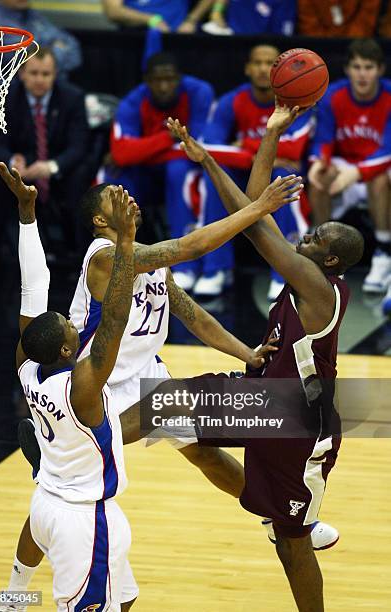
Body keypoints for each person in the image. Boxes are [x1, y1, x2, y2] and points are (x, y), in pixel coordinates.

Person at [0, 160, 311, 611]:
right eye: (114, 196)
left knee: (203, 452)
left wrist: (247, 354)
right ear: (101, 221)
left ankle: (274, 516)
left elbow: (192, 315)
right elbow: (188, 245)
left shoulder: (150, 260)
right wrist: (258, 207)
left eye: (127, 190)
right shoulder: (105, 257)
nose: (127, 195)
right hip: (95, 387)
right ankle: (17, 582)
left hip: (147, 375)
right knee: (64, 480)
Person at [165, 108, 364, 611]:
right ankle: (61, 449)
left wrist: (246, 182)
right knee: (165, 411)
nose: (307, 235)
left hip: (299, 426)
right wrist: (235, 148)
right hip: (263, 401)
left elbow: (256, 224)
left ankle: (292, 522)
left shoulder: (318, 287)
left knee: (291, 548)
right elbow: (256, 212)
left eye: (317, 239)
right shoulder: (305, 275)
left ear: (331, 260)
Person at [0, 162, 137, 611]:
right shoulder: (85, 387)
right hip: (81, 519)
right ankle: (10, 601)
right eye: (70, 330)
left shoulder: (28, 367)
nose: (73, 325)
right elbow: (114, 319)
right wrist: (128, 243)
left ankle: (9, 601)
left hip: (47, 503)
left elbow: (33, 283)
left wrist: (27, 213)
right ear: (64, 351)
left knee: (126, 598)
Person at [194, 44, 313, 299]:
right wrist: (260, 156)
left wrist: (243, 146)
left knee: (285, 175)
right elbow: (209, 147)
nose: (262, 69)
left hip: (280, 172)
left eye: (270, 63)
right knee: (215, 174)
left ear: (281, 71)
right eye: (257, 63)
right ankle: (215, 268)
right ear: (247, 68)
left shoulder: (298, 101)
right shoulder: (231, 101)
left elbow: (293, 150)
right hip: (244, 172)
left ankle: (285, 271)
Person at [105, 51, 214, 290]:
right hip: (145, 172)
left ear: (180, 79)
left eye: (170, 79)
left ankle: (186, 264)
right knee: (111, 179)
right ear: (147, 81)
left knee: (179, 172)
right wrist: (169, 138)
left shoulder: (199, 92)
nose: (164, 86)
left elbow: (197, 147)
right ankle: (111, 260)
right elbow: (122, 153)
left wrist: (142, 149)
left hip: (182, 167)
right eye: (157, 80)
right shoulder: (133, 102)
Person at [0, 47, 89, 260]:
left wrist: (51, 166)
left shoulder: (72, 97)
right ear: (21, 73)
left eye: (46, 74)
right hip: (20, 164)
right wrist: (12, 160)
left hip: (57, 166)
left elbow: (79, 145)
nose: (40, 79)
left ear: (55, 74)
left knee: (81, 173)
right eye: (34, 73)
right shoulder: (5, 97)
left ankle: (79, 252)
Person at [308, 38, 391, 295]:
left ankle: (383, 254)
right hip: (345, 165)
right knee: (320, 177)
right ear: (347, 70)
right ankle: (323, 256)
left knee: (379, 179)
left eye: (368, 67)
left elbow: (388, 149)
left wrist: (357, 173)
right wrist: (318, 162)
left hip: (376, 168)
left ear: (380, 70)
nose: (362, 74)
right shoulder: (334, 94)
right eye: (356, 67)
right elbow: (323, 139)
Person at [0, 0, 82, 78]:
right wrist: (58, 48)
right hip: (13, 97)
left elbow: (73, 46)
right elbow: (35, 62)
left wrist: (48, 51)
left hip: (55, 92)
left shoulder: (32, 15)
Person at [102, 0, 215, 32]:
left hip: (178, 38)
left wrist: (191, 20)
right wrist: (150, 19)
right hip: (135, 41)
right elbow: (113, 11)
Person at [204, 0, 295, 36]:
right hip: (229, 38)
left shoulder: (284, 2)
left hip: (258, 44)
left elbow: (281, 35)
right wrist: (216, 12)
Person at [297, 0, 381, 38]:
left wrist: (346, 42)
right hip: (320, 49)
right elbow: (309, 26)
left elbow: (364, 24)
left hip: (356, 45)